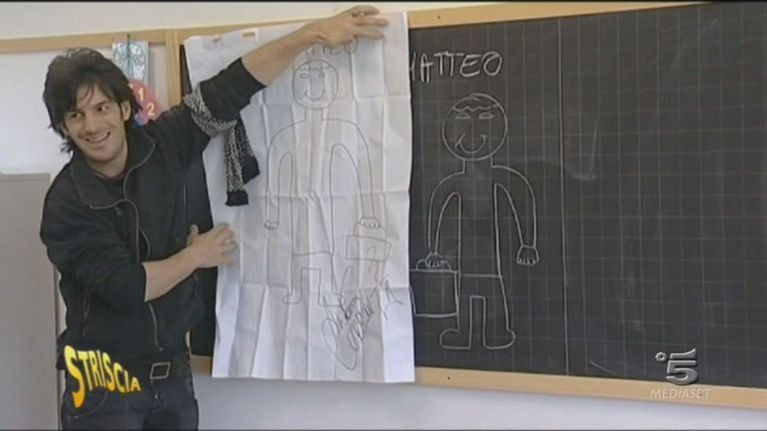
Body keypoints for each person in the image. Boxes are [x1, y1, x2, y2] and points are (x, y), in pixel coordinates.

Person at [38, 5, 388, 429]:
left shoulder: (164, 145)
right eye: (75, 115)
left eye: (101, 108)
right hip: (101, 381)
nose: (92, 125)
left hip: (172, 374)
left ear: (125, 109)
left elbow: (231, 87)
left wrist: (310, 34)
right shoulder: (67, 204)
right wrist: (195, 256)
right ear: (64, 128)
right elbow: (127, 287)